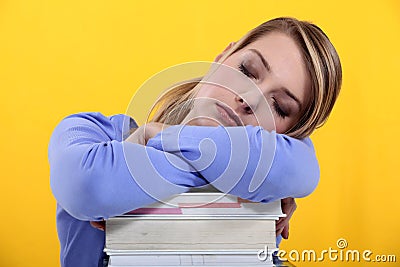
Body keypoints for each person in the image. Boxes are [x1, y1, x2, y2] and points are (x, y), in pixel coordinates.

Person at [48, 17, 342, 267]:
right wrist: (239, 167)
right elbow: (87, 185)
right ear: (222, 58)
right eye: (246, 71)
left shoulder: (283, 165)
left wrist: (160, 137)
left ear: (290, 136)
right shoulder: (94, 133)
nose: (249, 99)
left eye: (279, 106)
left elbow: (302, 170)